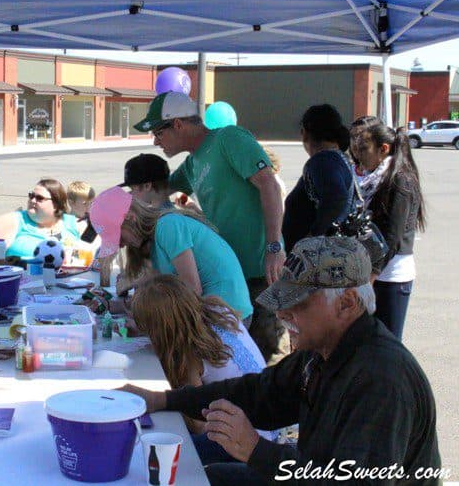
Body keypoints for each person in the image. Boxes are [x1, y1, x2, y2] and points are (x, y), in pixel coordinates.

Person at [120, 236, 441, 485]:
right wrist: (163, 399)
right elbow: (258, 393)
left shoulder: (380, 379)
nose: (283, 313)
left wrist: (257, 451)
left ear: (346, 303)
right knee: (206, 477)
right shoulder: (321, 352)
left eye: (298, 303)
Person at [134, 91, 285, 358]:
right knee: (237, 361)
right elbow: (154, 191)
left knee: (264, 357)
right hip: (232, 276)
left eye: (158, 132)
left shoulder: (228, 138)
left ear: (178, 124)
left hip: (261, 271)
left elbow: (269, 184)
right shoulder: (193, 163)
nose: (156, 141)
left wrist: (274, 246)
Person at [130, 274, 270, 464]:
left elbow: (197, 425)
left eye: (148, 327)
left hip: (246, 443)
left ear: (162, 328)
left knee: (151, 449)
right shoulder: (218, 310)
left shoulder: (190, 355)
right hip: (269, 428)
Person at [89, 186, 253, 322]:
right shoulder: (153, 239)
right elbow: (163, 291)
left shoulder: (168, 226)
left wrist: (139, 286)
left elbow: (191, 289)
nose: (120, 245)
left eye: (118, 236)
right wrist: (114, 306)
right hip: (213, 312)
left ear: (131, 218)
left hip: (228, 317)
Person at [350, 120, 426, 339]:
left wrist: (371, 276)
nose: (358, 155)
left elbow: (391, 238)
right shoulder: (373, 179)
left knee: (388, 342)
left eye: (364, 149)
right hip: (370, 271)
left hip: (391, 276)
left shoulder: (400, 180)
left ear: (383, 149)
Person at [282, 104, 356, 251]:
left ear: (304, 132)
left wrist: (313, 237)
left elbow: (336, 196)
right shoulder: (338, 158)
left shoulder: (323, 160)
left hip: (319, 261)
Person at [0, 178, 80, 259]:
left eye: (39, 198)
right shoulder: (14, 220)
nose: (33, 200)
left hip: (71, 283)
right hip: (24, 284)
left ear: (56, 204)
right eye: (31, 196)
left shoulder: (73, 223)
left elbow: (91, 250)